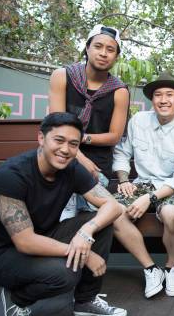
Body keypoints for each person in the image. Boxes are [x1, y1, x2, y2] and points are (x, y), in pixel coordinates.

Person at [0, 112, 127, 316]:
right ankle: (17, 298)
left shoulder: (72, 168)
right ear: (41, 138)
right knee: (65, 275)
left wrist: (86, 231)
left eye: (73, 144)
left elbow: (112, 206)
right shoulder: (11, 175)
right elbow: (25, 242)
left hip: (44, 237)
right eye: (59, 140)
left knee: (100, 221)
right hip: (3, 254)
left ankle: (85, 301)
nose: (65, 150)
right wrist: (84, 255)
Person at [112, 72, 174, 298]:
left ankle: (171, 267)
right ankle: (150, 269)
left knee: (173, 214)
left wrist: (150, 199)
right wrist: (124, 179)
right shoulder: (138, 121)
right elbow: (122, 153)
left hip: (168, 187)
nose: (163, 100)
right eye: (158, 95)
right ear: (152, 99)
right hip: (140, 184)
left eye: (169, 94)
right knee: (113, 212)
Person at [48, 24, 129, 217]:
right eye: (98, 46)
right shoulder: (63, 76)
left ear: (116, 57)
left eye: (110, 50)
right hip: (60, 155)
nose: (103, 53)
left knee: (93, 213)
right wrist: (79, 157)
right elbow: (55, 124)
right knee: (62, 212)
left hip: (97, 164)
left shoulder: (119, 91)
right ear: (87, 48)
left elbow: (114, 136)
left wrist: (82, 139)